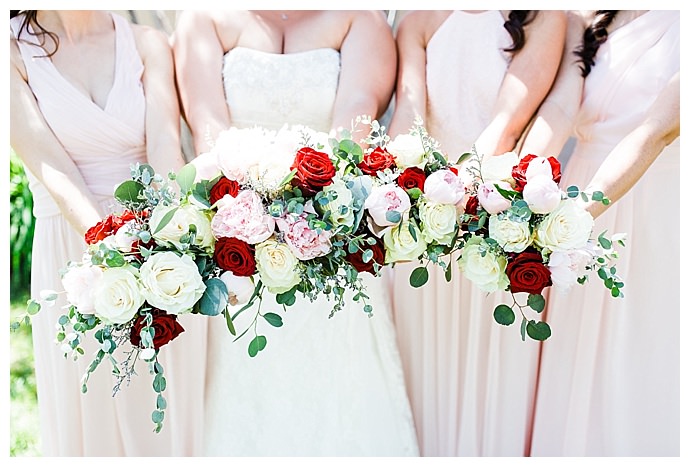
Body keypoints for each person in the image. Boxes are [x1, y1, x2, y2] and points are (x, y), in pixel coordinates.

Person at [172, 10, 419, 456]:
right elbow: (207, 126)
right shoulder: (204, 18)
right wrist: (252, 212)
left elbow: (356, 122)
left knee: (341, 394)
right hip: (237, 239)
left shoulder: (359, 18)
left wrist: (306, 208)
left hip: (329, 231)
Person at [10, 10, 206, 455]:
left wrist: (166, 245)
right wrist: (111, 250)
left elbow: (164, 147)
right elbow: (51, 167)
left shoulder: (147, 42)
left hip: (156, 236)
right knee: (93, 401)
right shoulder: (12, 51)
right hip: (74, 243)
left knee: (167, 403)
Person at [387, 10, 566, 456]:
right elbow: (408, 120)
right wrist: (389, 191)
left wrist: (454, 191)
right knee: (421, 378)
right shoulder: (416, 19)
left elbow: (506, 128)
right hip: (426, 237)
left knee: (490, 385)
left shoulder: (540, 13)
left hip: (495, 227)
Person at [519, 10, 679, 455]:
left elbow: (656, 132)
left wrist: (577, 217)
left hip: (643, 203)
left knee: (632, 358)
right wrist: (510, 188)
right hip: (575, 190)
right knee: (574, 359)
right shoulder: (590, 16)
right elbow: (560, 108)